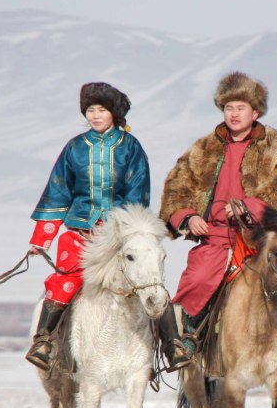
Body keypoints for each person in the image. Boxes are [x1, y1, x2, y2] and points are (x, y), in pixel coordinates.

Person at [25, 82, 191, 372]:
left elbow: (137, 195)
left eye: (101, 109)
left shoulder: (131, 148)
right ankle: (45, 341)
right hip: (80, 235)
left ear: (114, 112)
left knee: (149, 281)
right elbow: (58, 191)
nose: (95, 115)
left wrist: (124, 232)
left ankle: (171, 346)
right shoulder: (74, 148)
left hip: (119, 239)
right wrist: (42, 238)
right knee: (65, 282)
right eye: (90, 110)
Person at [159, 71, 277, 369]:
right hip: (216, 238)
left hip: (263, 239)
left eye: (241, 107)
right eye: (228, 107)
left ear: (255, 111)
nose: (234, 114)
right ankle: (189, 340)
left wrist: (249, 207)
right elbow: (177, 188)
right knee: (196, 279)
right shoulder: (203, 149)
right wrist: (188, 216)